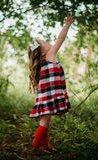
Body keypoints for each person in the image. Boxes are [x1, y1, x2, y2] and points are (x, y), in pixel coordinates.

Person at [28, 13, 76, 155]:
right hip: (48, 99)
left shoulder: (42, 63)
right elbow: (60, 39)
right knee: (44, 123)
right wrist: (67, 25)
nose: (49, 43)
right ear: (42, 51)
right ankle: (36, 149)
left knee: (46, 122)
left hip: (45, 99)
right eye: (45, 43)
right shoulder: (49, 55)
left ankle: (45, 146)